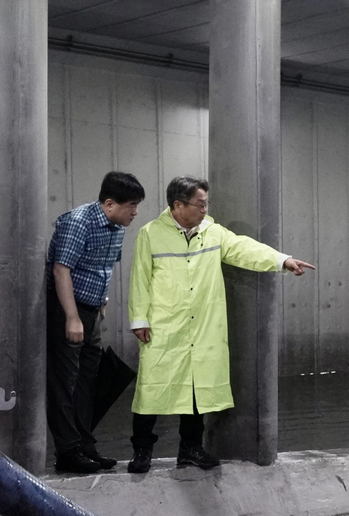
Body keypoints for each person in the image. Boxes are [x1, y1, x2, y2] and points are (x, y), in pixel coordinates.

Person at [126, 176, 315, 474]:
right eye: (200, 204)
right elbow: (140, 279)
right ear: (178, 205)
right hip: (164, 325)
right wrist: (139, 319)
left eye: (205, 204)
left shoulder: (212, 233)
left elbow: (243, 248)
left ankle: (189, 449)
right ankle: (142, 451)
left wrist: (282, 260)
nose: (205, 209)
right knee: (151, 389)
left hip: (201, 326)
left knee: (195, 392)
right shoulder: (150, 234)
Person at [46, 172, 145, 474]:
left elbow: (104, 267)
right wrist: (73, 317)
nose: (135, 212)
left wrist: (101, 305)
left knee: (88, 382)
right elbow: (61, 270)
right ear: (109, 203)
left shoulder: (117, 226)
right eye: (130, 206)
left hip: (92, 310)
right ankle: (68, 452)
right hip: (67, 309)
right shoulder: (79, 222)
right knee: (65, 381)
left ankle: (86, 446)